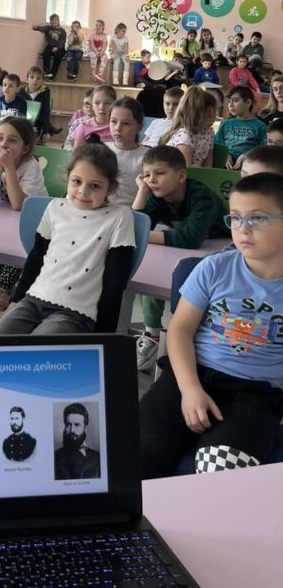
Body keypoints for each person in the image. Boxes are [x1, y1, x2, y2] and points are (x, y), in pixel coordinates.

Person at [139, 173, 283, 479]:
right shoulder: (214, 268)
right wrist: (190, 389)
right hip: (191, 375)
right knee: (135, 456)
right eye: (236, 217)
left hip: (255, 395)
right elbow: (180, 330)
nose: (242, 228)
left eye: (257, 218)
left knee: (219, 475)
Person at [0, 144, 136, 336]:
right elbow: (35, 260)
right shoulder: (55, 207)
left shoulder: (120, 216)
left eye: (95, 186)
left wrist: (103, 336)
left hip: (74, 313)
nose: (83, 191)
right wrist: (14, 304)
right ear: (68, 178)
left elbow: (115, 281)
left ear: (110, 188)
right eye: (77, 181)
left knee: (39, 348)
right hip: (32, 300)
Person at [132, 146, 228, 373]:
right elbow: (135, 226)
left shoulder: (201, 196)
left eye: (160, 173)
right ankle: (152, 334)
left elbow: (191, 238)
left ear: (181, 176)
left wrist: (144, 235)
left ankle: (187, 341)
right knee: (151, 271)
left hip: (218, 251)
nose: (152, 180)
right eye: (147, 175)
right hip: (181, 250)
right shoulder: (157, 196)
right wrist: (142, 192)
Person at [0, 117, 47, 316]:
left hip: (32, 220)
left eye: (12, 140)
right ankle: (10, 291)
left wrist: (8, 168)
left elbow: (18, 204)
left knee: (18, 253)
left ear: (25, 148)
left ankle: (3, 292)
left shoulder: (30, 166)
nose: (4, 144)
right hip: (3, 219)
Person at [159, 85, 217, 168]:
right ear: (211, 111)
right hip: (174, 173)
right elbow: (185, 169)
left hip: (196, 173)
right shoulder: (186, 135)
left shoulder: (209, 133)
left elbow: (208, 165)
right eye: (216, 110)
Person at [215, 86, 267, 170]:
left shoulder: (260, 126)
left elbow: (264, 149)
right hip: (226, 168)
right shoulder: (225, 124)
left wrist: (247, 155)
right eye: (229, 101)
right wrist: (225, 155)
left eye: (235, 100)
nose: (230, 105)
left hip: (250, 167)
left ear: (248, 103)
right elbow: (217, 144)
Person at [108, 97, 148, 206]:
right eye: (113, 121)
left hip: (136, 211)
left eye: (125, 123)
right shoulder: (101, 151)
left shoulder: (148, 156)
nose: (118, 128)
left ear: (139, 127)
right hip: (103, 209)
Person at [54, 403, 101, 480]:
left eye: (77, 425)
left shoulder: (97, 456)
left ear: (85, 428)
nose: (72, 430)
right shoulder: (57, 456)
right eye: (68, 425)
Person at [21, 66, 53, 141]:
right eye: (32, 77)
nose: (35, 80)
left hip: (38, 124)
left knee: (31, 139)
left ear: (43, 81)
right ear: (27, 79)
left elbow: (45, 111)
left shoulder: (45, 91)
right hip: (23, 122)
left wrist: (45, 131)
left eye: (38, 78)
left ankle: (49, 130)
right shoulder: (21, 91)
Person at [32, 14, 66, 81]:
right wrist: (37, 27)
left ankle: (52, 76)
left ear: (58, 21)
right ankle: (47, 71)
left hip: (59, 48)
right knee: (45, 54)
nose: (53, 21)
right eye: (52, 20)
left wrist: (57, 48)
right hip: (50, 46)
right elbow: (42, 28)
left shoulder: (62, 30)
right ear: (50, 21)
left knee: (58, 57)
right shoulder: (48, 28)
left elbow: (62, 41)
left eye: (55, 20)